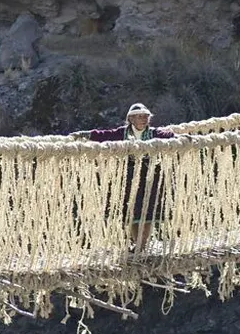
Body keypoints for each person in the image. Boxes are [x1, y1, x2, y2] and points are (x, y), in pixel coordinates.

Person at [71, 103, 177, 252]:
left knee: (147, 211)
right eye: (139, 116)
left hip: (150, 174)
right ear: (131, 119)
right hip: (129, 175)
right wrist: (87, 134)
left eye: (146, 116)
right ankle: (138, 243)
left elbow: (169, 136)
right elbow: (104, 135)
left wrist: (180, 138)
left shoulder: (154, 133)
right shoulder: (122, 133)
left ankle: (141, 245)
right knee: (132, 212)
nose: (143, 119)